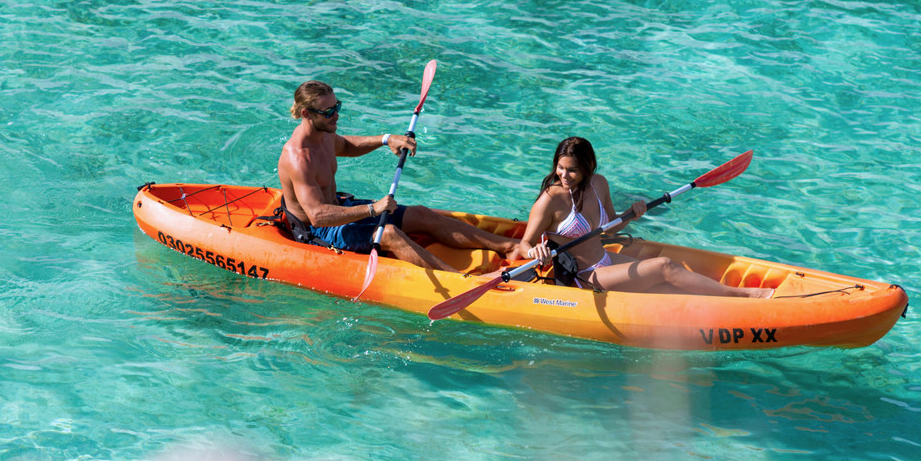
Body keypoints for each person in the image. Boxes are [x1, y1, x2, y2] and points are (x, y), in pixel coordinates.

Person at [276, 79, 518, 270]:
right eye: (329, 111)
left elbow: (345, 146)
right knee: (390, 234)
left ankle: (510, 246)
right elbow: (318, 216)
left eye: (337, 106)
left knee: (422, 213)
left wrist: (386, 139)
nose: (336, 115)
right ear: (307, 114)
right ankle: (461, 282)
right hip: (320, 232)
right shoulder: (299, 159)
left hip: (340, 208)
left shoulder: (325, 134)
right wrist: (372, 209)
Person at [509, 136, 772, 297]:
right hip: (584, 275)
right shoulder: (550, 199)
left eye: (572, 171)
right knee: (663, 266)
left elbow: (610, 229)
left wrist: (631, 215)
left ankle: (721, 304)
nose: (564, 175)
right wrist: (535, 252)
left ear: (588, 169)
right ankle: (743, 296)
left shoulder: (599, 184)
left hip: (606, 260)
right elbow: (524, 244)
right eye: (560, 168)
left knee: (665, 287)